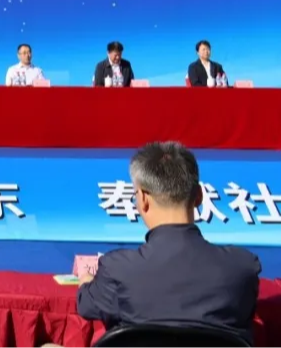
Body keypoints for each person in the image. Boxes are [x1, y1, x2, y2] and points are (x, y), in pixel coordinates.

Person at [73, 142, 260, 345]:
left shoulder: (118, 269)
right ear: (199, 196)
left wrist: (86, 281)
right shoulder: (242, 268)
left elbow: (87, 305)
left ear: (143, 199)